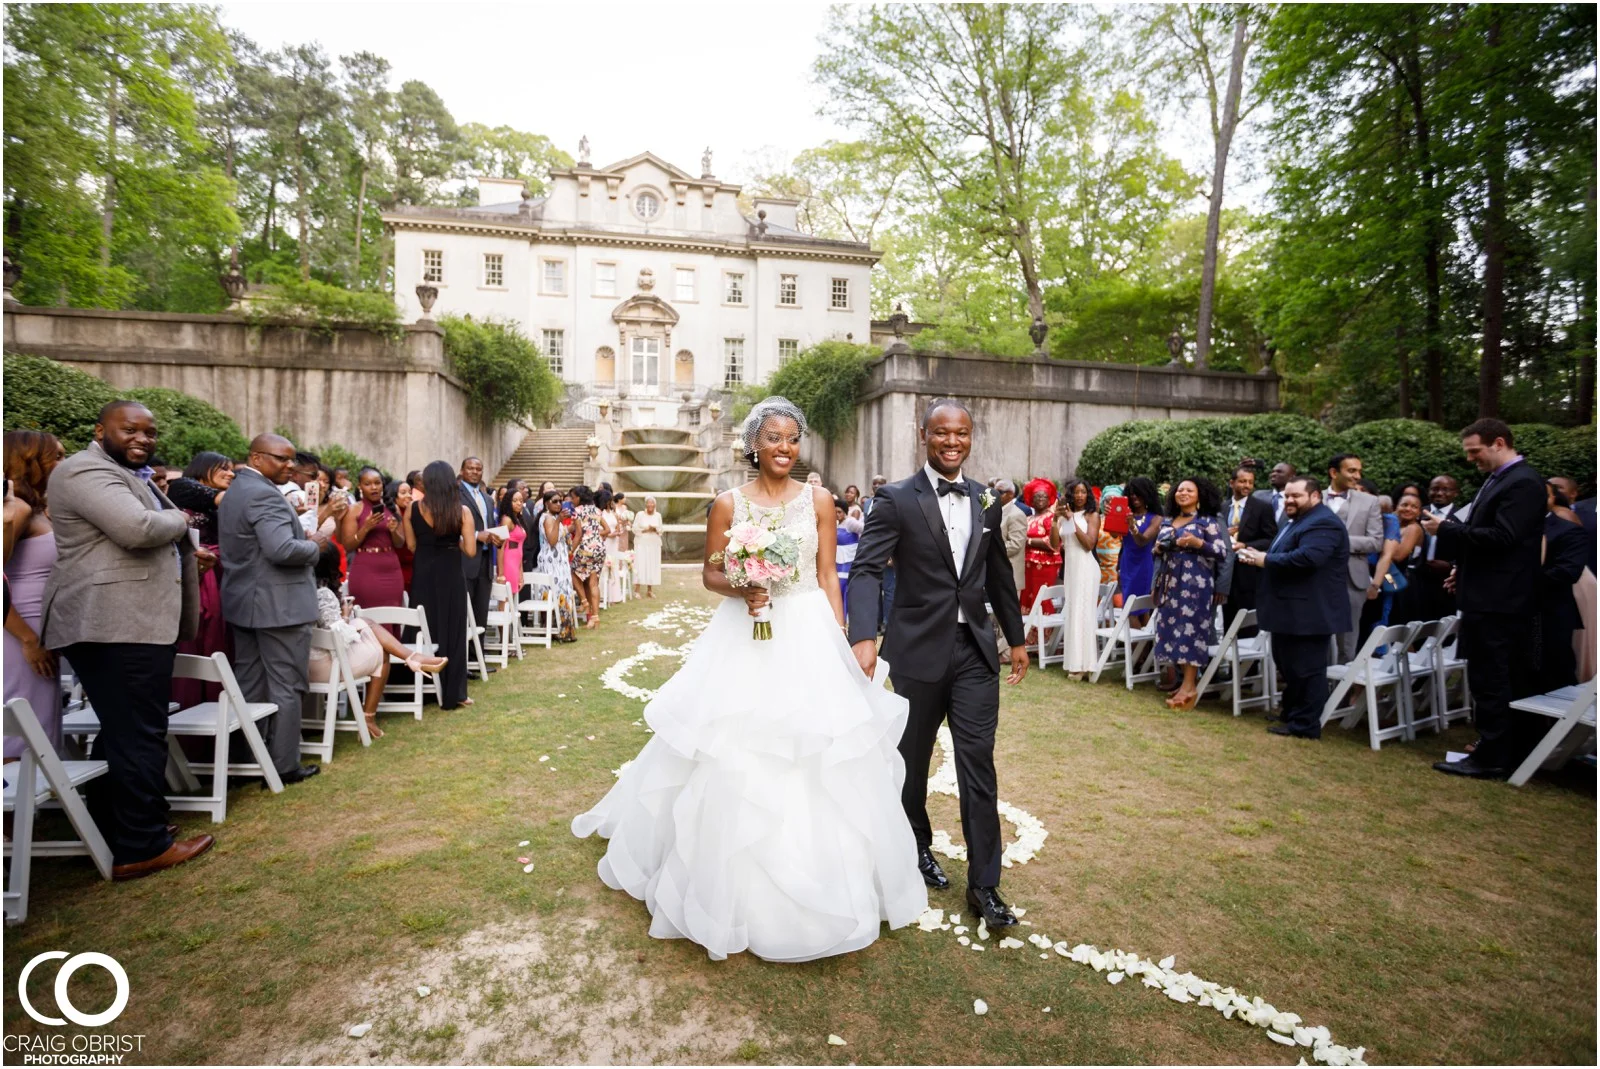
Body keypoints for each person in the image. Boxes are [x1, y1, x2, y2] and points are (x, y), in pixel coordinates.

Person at [574, 396, 926, 961]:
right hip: (748, 632)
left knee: (818, 750)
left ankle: (825, 875)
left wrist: (842, 635)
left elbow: (828, 577)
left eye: (793, 438)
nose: (785, 448)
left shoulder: (820, 500)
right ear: (753, 445)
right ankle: (731, 882)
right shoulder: (726, 504)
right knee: (737, 745)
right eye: (774, 438)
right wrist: (744, 588)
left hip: (808, 629)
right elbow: (711, 575)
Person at [845, 397, 1027, 929]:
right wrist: (863, 635)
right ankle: (916, 847)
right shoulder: (896, 499)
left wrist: (1014, 637)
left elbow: (997, 575)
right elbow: (866, 570)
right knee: (912, 761)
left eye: (962, 434)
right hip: (916, 651)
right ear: (924, 435)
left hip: (975, 652)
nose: (953, 442)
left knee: (979, 765)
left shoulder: (987, 501)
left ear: (971, 438)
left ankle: (985, 887)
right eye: (942, 433)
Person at [40, 401, 214, 878]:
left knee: (125, 730)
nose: (142, 438)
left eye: (150, 432)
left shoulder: (122, 472)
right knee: (139, 732)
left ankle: (122, 826)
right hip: (113, 623)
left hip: (129, 621)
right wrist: (185, 521)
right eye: (130, 429)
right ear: (100, 430)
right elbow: (136, 529)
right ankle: (141, 847)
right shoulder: (84, 471)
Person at [1421, 419, 1546, 778]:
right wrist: (1465, 569)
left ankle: (1492, 756)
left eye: (1475, 452)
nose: (1471, 459)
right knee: (1490, 675)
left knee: (1492, 677)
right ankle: (1500, 749)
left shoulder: (1521, 481)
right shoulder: (1500, 479)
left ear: (1499, 443)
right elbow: (1497, 543)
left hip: (1500, 601)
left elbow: (1503, 537)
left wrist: (1445, 529)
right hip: (1489, 593)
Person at [219, 434, 325, 784]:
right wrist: (316, 547)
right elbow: (281, 550)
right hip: (279, 606)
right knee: (286, 684)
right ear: (257, 457)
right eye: (282, 459)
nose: (290, 466)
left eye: (292, 459)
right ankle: (282, 764)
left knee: (251, 682)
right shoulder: (263, 493)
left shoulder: (237, 490)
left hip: (246, 602)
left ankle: (251, 758)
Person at [1237, 475, 1349, 739]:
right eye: (1287, 495)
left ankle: (1305, 725)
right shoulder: (1296, 521)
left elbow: (1309, 558)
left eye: (1296, 496)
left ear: (1315, 496)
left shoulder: (1323, 522)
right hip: (1289, 610)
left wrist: (1265, 560)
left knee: (1307, 669)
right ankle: (1292, 714)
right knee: (1289, 665)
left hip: (1309, 612)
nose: (1289, 500)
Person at [307, 541, 446, 739]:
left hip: (305, 666)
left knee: (365, 622)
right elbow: (338, 638)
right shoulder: (324, 595)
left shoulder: (300, 591)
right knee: (381, 650)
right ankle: (368, 717)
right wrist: (346, 616)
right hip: (326, 668)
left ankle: (412, 657)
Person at [4, 431, 66, 759]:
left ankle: (30, 808)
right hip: (17, 633)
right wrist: (28, 639)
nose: (63, 463)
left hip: (37, 629)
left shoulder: (38, 505)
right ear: (30, 461)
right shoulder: (17, 508)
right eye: (56, 456)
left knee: (37, 727)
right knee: (18, 732)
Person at [403, 460, 478, 708]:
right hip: (451, 575)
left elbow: (411, 546)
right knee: (454, 632)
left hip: (424, 573)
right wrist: (451, 541)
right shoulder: (462, 512)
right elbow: (469, 550)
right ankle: (454, 692)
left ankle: (415, 688)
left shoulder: (412, 509)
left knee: (422, 628)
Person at [1152, 477, 1229, 711]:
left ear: (1200, 495)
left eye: (1189, 490)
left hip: (1194, 585)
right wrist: (1158, 548)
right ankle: (1181, 680)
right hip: (1169, 582)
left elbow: (1222, 551)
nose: (1183, 493)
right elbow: (1157, 548)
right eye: (1180, 489)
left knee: (1190, 632)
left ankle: (1189, 686)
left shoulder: (1208, 521)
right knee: (1171, 631)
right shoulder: (1169, 520)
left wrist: (1198, 543)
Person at [166, 451, 237, 706]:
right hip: (195, 574)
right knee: (196, 638)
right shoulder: (182, 488)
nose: (231, 473)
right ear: (202, 468)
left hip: (221, 575)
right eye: (223, 468)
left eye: (232, 470)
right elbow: (216, 498)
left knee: (221, 641)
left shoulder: (226, 500)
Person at [1323, 454, 1384, 662]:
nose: (1358, 476)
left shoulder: (1370, 502)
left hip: (1352, 579)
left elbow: (1376, 542)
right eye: (1352, 471)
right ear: (1334, 473)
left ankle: (1344, 689)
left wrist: (1340, 541)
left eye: (1359, 471)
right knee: (1317, 637)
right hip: (1315, 576)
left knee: (1347, 640)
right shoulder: (1313, 498)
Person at [339, 467, 407, 629]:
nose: (374, 487)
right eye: (368, 484)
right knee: (369, 620)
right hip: (366, 570)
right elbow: (348, 545)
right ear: (360, 487)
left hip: (392, 569)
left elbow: (400, 543)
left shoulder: (392, 508)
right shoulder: (354, 509)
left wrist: (393, 531)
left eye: (377, 483)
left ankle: (392, 654)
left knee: (392, 618)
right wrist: (366, 527)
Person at [1540, 481, 1588, 691]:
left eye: (1544, 495)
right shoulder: (1510, 528)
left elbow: (1567, 572)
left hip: (1549, 613)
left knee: (1554, 670)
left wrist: (1520, 579)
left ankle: (1565, 721)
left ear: (1553, 499)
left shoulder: (1567, 530)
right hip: (1512, 614)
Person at [1223, 466, 1277, 638]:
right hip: (1226, 572)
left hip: (1249, 573)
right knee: (1228, 622)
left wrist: (1244, 545)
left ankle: (1250, 664)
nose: (1247, 485)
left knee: (1247, 623)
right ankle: (1231, 661)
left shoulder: (1262, 507)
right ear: (1232, 483)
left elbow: (1271, 539)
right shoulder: (1223, 507)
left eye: (1250, 482)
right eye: (1242, 481)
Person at [1055, 478, 1101, 677]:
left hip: (1086, 566)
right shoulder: (1063, 515)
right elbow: (1054, 543)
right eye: (1076, 492)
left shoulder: (1092, 515)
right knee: (1073, 613)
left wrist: (1072, 519)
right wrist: (1054, 519)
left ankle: (1085, 665)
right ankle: (1074, 662)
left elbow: (1089, 544)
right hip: (1071, 568)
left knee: (1084, 613)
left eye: (1083, 492)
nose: (1080, 495)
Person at [457, 457, 500, 637]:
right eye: (470, 468)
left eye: (478, 469)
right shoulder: (455, 494)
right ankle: (463, 658)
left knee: (481, 611)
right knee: (462, 612)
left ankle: (478, 657)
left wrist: (495, 537)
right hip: (464, 560)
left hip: (485, 561)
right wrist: (475, 536)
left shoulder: (487, 499)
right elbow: (450, 526)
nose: (475, 472)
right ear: (462, 471)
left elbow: (487, 526)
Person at [532, 489, 579, 641]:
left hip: (559, 562)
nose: (559, 504)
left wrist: (573, 522)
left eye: (560, 501)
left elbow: (561, 535)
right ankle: (558, 631)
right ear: (546, 503)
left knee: (562, 594)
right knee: (557, 595)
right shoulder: (547, 518)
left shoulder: (552, 517)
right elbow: (552, 541)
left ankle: (559, 630)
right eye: (555, 501)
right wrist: (559, 520)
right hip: (552, 563)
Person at [1379, 491, 1428, 624]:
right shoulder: (1394, 526)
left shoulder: (1413, 528)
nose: (1408, 509)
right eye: (1404, 505)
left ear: (1419, 512)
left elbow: (1397, 556)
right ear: (1396, 507)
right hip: (1390, 577)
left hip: (1402, 581)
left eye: (1414, 507)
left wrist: (1376, 546)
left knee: (1398, 625)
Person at [1418, 474, 1462, 619]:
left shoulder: (1463, 516)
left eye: (1446, 489)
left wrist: (1451, 565)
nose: (1439, 493)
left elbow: (1467, 544)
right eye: (1435, 489)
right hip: (1418, 577)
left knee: (1444, 622)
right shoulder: (1417, 513)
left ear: (1455, 493)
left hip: (1446, 579)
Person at [1119, 478, 1162, 624]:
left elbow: (1142, 541)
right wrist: (1113, 515)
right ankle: (1146, 646)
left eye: (1138, 493)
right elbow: (1113, 534)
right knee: (1135, 611)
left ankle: (1141, 646)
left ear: (1147, 494)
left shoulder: (1156, 518)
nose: (1134, 496)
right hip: (1126, 564)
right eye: (1131, 494)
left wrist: (1132, 527)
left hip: (1144, 565)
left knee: (1137, 610)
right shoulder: (1126, 515)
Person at [1020, 478, 1061, 620]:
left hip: (1045, 564)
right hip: (1026, 564)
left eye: (1044, 496)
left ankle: (1043, 635)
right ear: (1031, 499)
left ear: (1049, 498)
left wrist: (1029, 541)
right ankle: (1027, 634)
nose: (1040, 499)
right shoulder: (1028, 518)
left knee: (1041, 596)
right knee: (1027, 595)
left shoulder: (1051, 518)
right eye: (1037, 496)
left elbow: (1053, 543)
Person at [861, 474, 896, 633]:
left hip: (887, 552)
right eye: (875, 484)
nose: (878, 486)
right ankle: (876, 622)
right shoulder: (867, 503)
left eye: (881, 483)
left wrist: (891, 553)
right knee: (873, 588)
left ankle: (888, 623)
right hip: (871, 551)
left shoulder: (892, 502)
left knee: (888, 590)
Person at [568, 485, 606, 629]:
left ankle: (584, 603)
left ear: (579, 497)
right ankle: (594, 619)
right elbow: (605, 528)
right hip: (600, 549)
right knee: (593, 583)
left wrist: (570, 550)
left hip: (586, 548)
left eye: (573, 497)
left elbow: (578, 534)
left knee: (572, 572)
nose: (572, 500)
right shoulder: (596, 510)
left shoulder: (577, 511)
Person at [996, 479, 1028, 603]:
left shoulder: (1016, 514)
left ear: (1010, 494)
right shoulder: (996, 511)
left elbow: (1015, 545)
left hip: (1010, 575)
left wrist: (992, 550)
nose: (995, 494)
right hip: (996, 574)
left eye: (999, 492)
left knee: (1007, 619)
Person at [496, 485, 528, 606]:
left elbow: (520, 548)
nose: (519, 503)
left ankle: (508, 625)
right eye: (515, 501)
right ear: (508, 502)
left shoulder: (517, 519)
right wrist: (501, 574)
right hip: (508, 561)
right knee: (505, 600)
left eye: (521, 501)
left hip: (516, 562)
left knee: (512, 599)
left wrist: (520, 573)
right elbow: (500, 547)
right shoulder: (507, 520)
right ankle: (502, 625)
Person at [632, 496, 663, 597]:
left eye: (652, 503)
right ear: (646, 504)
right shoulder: (640, 514)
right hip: (641, 543)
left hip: (654, 544)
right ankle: (637, 590)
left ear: (655, 505)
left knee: (652, 565)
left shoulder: (658, 515)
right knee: (640, 564)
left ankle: (650, 590)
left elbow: (661, 530)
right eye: (648, 503)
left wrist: (655, 529)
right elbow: (634, 528)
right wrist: (645, 529)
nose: (650, 505)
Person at [597, 488, 624, 607]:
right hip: (605, 542)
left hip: (613, 543)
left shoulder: (613, 513)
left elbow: (616, 526)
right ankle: (602, 595)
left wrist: (618, 530)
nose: (611, 502)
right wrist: (610, 534)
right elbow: (598, 530)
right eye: (609, 500)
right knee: (604, 568)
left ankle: (613, 596)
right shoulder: (600, 513)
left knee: (613, 567)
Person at [835, 496, 860, 607]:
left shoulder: (850, 522)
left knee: (844, 586)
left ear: (845, 512)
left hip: (848, 560)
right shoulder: (835, 523)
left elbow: (866, 530)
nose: (837, 514)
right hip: (837, 560)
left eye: (839, 512)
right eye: (835, 512)